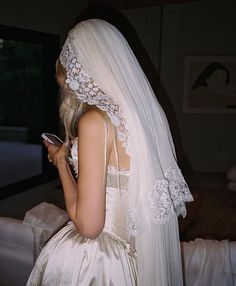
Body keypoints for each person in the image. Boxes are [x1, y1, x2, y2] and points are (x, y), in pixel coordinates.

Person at [27, 19, 193, 286]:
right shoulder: (144, 117)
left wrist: (60, 162)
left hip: (98, 263)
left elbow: (89, 226)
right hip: (134, 255)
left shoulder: (94, 121)